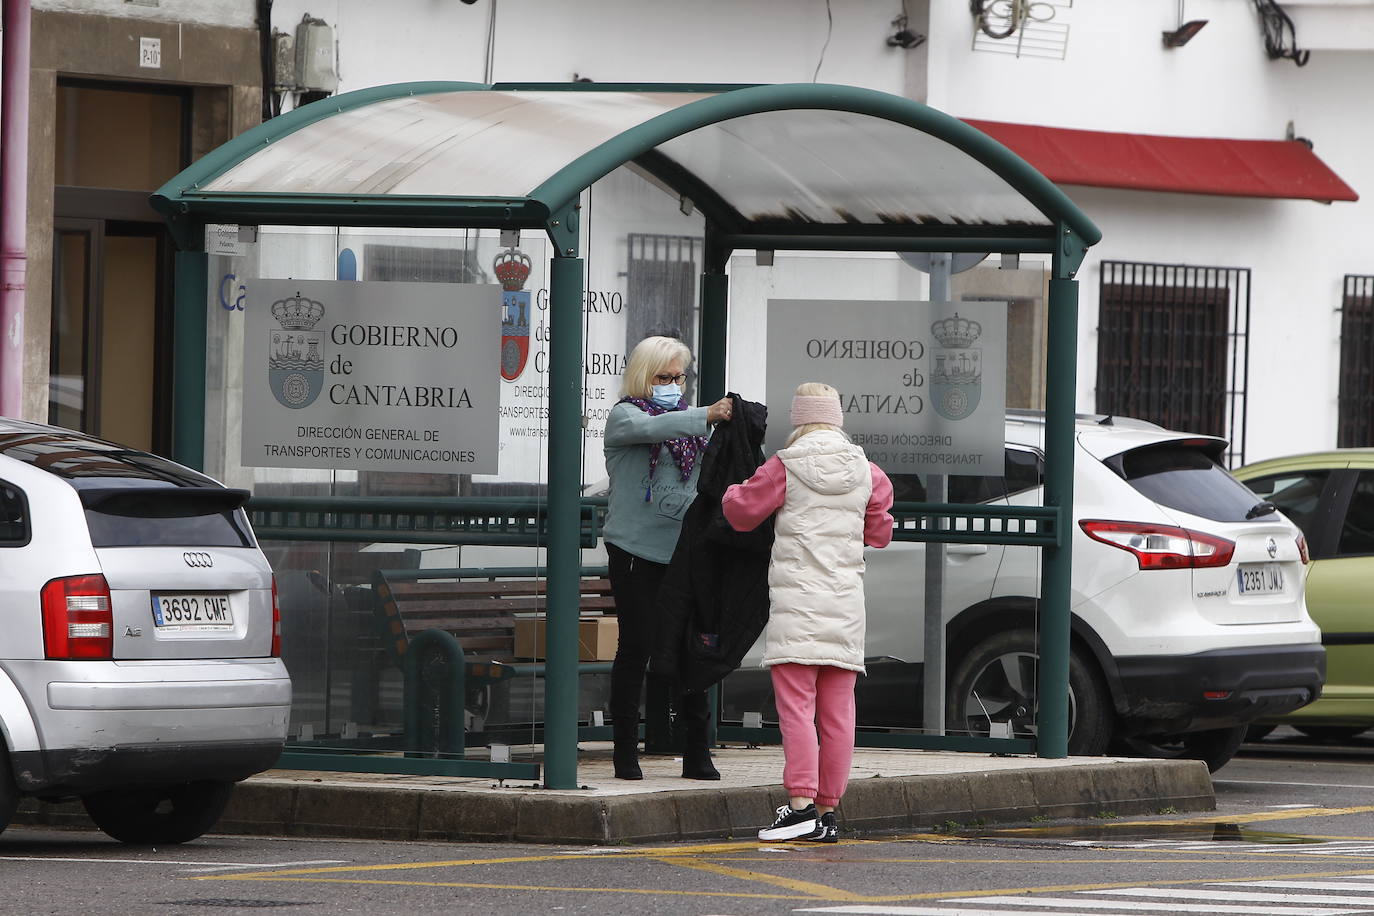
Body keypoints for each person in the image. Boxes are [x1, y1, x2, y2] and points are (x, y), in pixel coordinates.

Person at [721, 382, 894, 842]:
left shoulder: (786, 465)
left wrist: (730, 487)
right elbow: (879, 533)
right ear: (836, 419)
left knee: (797, 709)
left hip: (798, 604)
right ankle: (826, 810)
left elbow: (741, 512)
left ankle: (798, 807)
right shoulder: (868, 471)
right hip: (844, 606)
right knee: (839, 713)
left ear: (799, 420)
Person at [603, 335, 732, 780]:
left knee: (692, 647)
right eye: (664, 376)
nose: (674, 385)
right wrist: (706, 415)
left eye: (679, 377)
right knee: (636, 645)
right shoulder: (625, 415)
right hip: (635, 551)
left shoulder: (691, 427)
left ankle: (697, 751)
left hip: (684, 551)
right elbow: (649, 430)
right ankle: (625, 752)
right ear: (644, 375)